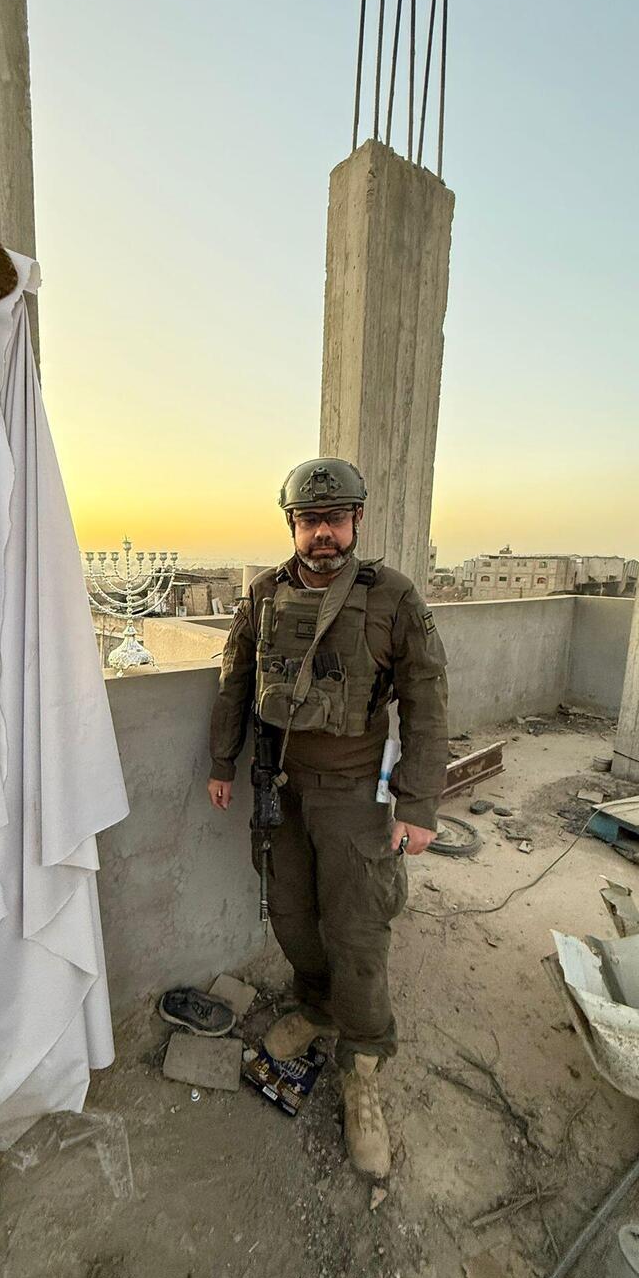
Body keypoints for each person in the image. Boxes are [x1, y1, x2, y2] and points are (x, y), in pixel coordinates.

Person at [207, 457, 448, 1177]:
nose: (322, 534)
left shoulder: (393, 599)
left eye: (334, 519)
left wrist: (419, 800)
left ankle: (363, 1061)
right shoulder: (263, 596)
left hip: (354, 793)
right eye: (310, 521)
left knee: (357, 926)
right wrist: (223, 762)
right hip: (282, 785)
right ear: (292, 525)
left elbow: (428, 699)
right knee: (290, 911)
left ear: (356, 522)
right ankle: (315, 1005)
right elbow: (235, 680)